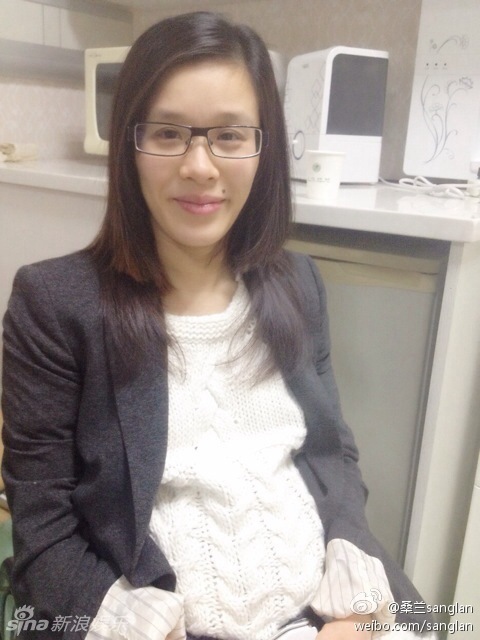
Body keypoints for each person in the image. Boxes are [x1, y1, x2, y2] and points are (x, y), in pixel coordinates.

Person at [1, 11, 436, 640]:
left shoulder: (298, 283)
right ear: (129, 144)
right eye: (169, 133)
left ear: (263, 148)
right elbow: (44, 533)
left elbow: (332, 453)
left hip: (325, 614)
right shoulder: (56, 304)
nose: (200, 166)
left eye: (229, 136)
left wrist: (354, 612)